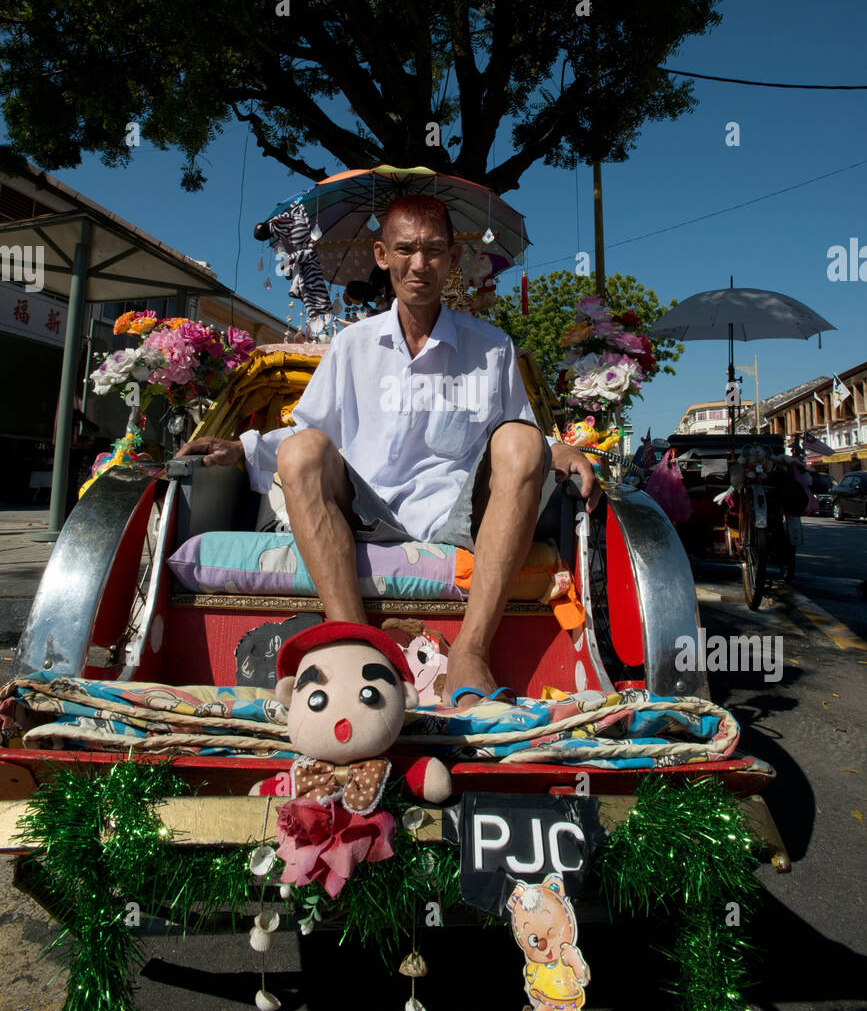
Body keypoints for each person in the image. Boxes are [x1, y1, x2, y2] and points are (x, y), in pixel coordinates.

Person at [178, 194, 600, 706]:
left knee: (520, 439)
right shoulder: (353, 345)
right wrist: (243, 451)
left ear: (452, 259)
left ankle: (472, 650)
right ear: (382, 256)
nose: (419, 265)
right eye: (405, 250)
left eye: (433, 251)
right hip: (365, 506)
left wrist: (560, 450)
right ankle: (356, 645)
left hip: (459, 513)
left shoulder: (492, 347)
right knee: (301, 453)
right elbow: (303, 435)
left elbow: (523, 435)